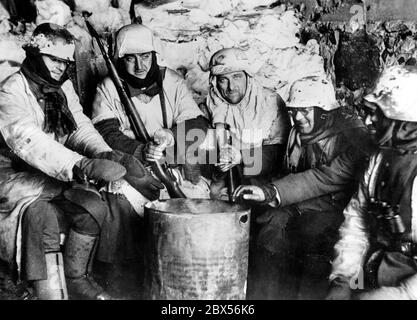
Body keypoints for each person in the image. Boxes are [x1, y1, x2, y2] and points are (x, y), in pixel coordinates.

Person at [0, 23, 162, 300]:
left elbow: (78, 126)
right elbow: (28, 140)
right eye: (53, 59)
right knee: (43, 217)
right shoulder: (12, 90)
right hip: (15, 179)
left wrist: (102, 152)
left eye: (65, 62)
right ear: (35, 54)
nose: (59, 67)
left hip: (53, 172)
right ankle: (50, 292)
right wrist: (80, 165)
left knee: (91, 206)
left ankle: (77, 278)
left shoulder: (61, 86)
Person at [233, 75, 374, 299]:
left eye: (306, 110)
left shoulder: (351, 137)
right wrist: (241, 157)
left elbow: (324, 177)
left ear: (324, 110)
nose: (298, 117)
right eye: (293, 111)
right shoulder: (298, 132)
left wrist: (271, 191)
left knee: (310, 242)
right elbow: (280, 159)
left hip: (337, 212)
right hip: (301, 204)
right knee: (267, 228)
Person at [326, 65, 417, 300]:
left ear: (402, 121)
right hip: (379, 271)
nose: (367, 120)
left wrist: (404, 294)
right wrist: (343, 279)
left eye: (376, 113)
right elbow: (358, 222)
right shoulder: (379, 159)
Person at [91, 23, 211, 198]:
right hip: (131, 165)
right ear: (121, 60)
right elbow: (106, 133)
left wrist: (172, 136)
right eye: (131, 59)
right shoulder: (108, 87)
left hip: (172, 162)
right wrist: (141, 150)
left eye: (145, 56)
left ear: (154, 55)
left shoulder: (173, 80)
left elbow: (197, 122)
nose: (140, 66)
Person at [205, 47, 291, 199]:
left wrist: (241, 157)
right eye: (223, 80)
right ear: (215, 82)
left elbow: (279, 155)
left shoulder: (270, 102)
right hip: (223, 188)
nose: (231, 87)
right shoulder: (209, 106)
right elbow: (202, 156)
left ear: (247, 76)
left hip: (262, 187)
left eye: (237, 77)